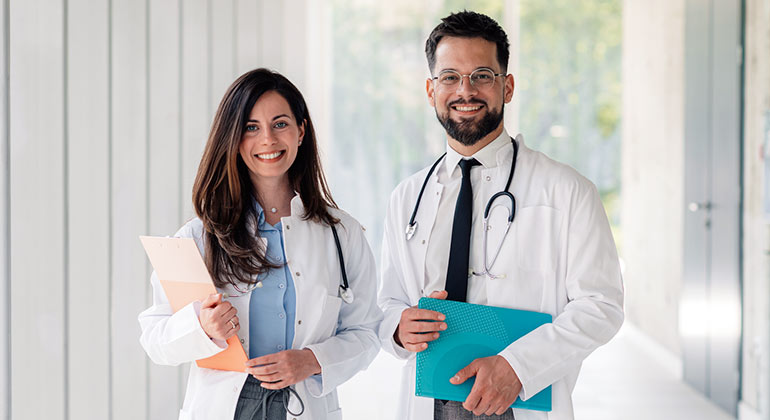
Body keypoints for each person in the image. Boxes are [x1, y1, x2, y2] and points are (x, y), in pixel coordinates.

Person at [377, 11, 624, 420]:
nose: (465, 91)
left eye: (482, 75)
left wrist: (518, 367)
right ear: (430, 89)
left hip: (521, 398)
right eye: (450, 77)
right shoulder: (406, 197)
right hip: (431, 400)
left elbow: (601, 305)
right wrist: (399, 329)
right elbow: (387, 301)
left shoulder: (566, 191)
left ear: (506, 87)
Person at [139, 68, 382, 420]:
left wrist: (313, 360)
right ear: (234, 139)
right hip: (226, 406)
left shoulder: (342, 233)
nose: (267, 139)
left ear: (301, 131)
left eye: (280, 124)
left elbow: (367, 332)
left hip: (305, 401)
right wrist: (201, 327)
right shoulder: (198, 236)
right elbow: (155, 338)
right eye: (251, 127)